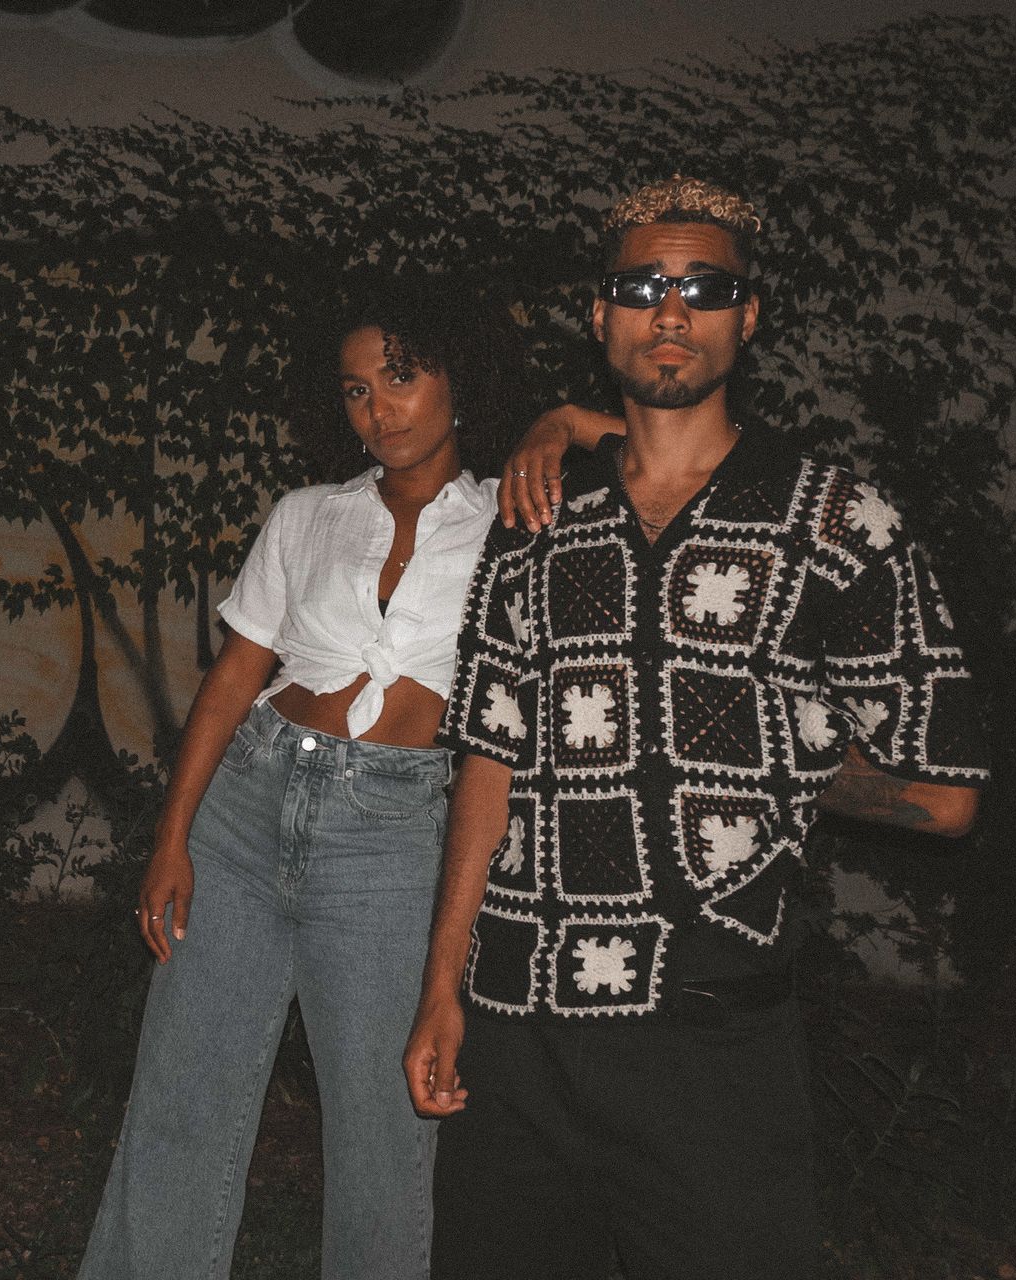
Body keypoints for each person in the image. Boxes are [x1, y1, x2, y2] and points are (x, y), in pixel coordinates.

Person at [404, 175, 990, 1280]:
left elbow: (946, 792)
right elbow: (487, 752)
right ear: (600, 314)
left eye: (703, 286)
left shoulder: (837, 523)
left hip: (710, 1038)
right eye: (642, 285)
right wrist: (441, 985)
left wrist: (797, 759)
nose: (670, 309)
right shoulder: (539, 516)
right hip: (516, 1031)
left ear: (747, 316)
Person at [77, 279, 616, 1280]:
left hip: (393, 833)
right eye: (357, 390)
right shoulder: (305, 516)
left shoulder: (523, 516)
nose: (378, 408)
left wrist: (568, 420)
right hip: (244, 807)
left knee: (386, 1134)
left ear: (462, 377)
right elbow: (236, 675)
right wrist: (172, 837)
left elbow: (686, 474)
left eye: (401, 377)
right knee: (180, 1100)